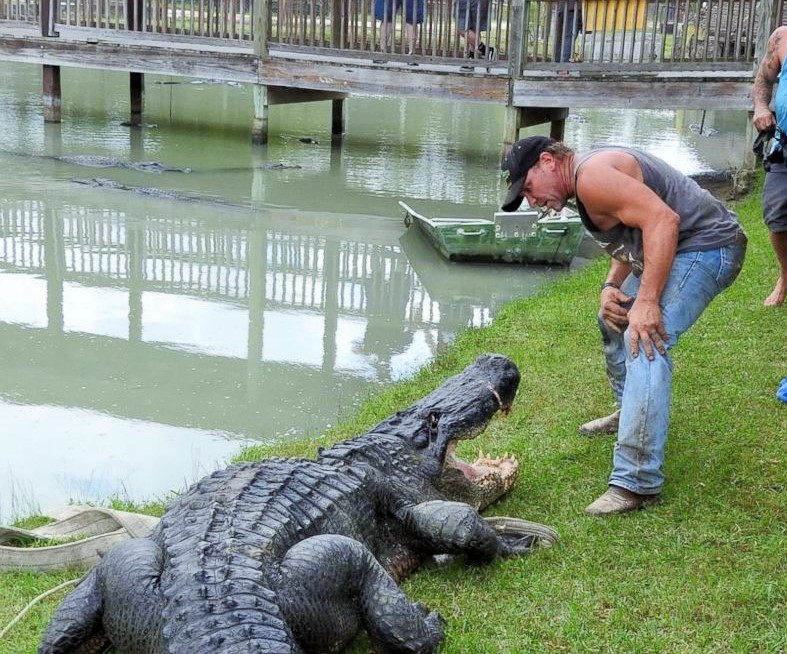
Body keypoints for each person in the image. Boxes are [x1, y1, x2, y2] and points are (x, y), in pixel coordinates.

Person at [500, 136, 747, 516]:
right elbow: (633, 235)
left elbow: (663, 221)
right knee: (612, 317)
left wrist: (647, 301)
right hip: (681, 245)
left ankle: (637, 482)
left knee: (642, 335)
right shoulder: (585, 182)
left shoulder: (591, 178)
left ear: (548, 161)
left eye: (528, 188)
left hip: (709, 246)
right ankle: (629, 410)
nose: (532, 201)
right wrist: (610, 286)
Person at [752, 25, 787, 307]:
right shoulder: (781, 37)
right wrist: (762, 107)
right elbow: (764, 79)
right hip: (784, 145)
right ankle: (786, 275)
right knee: (776, 218)